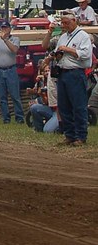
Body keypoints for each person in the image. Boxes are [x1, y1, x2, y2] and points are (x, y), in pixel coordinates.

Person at [50, 9, 93, 146]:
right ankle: (70, 135)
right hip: (63, 72)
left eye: (66, 23)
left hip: (75, 73)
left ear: (74, 21)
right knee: (64, 106)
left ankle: (81, 136)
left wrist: (67, 49)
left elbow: (86, 55)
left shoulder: (83, 36)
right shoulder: (63, 37)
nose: (64, 25)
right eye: (62, 23)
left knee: (78, 106)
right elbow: (58, 52)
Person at [0, 20, 24, 124]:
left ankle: (19, 117)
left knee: (15, 95)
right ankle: (6, 118)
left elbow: (14, 50)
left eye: (6, 28)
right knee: (2, 97)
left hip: (11, 69)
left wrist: (5, 40)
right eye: (2, 28)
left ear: (9, 29)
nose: (4, 30)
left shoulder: (15, 39)